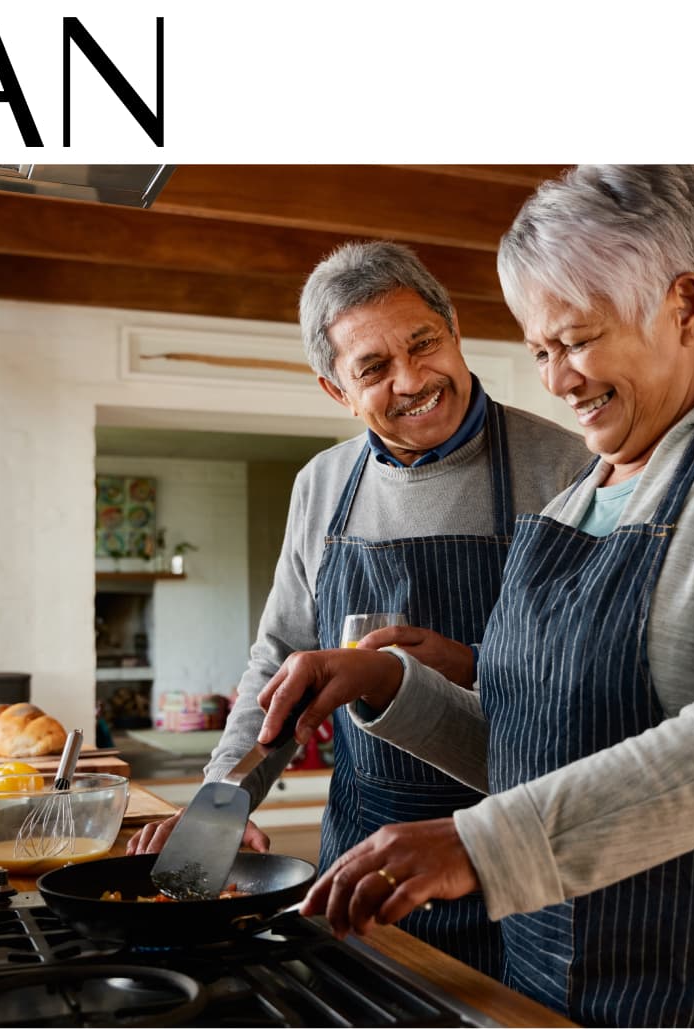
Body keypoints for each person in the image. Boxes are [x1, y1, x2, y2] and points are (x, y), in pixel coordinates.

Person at [253, 166, 694, 1028]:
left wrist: (483, 843)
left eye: (578, 341)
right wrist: (392, 687)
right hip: (546, 967)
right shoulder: (575, 500)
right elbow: (536, 750)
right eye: (541, 350)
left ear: (686, 308)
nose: (556, 381)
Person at [127, 240, 590, 979]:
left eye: (423, 343)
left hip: (513, 852)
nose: (411, 379)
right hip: (360, 855)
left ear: (454, 330)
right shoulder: (321, 485)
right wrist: (225, 799)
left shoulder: (568, 469)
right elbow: (280, 659)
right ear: (334, 389)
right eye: (373, 368)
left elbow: (591, 689)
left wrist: (472, 666)